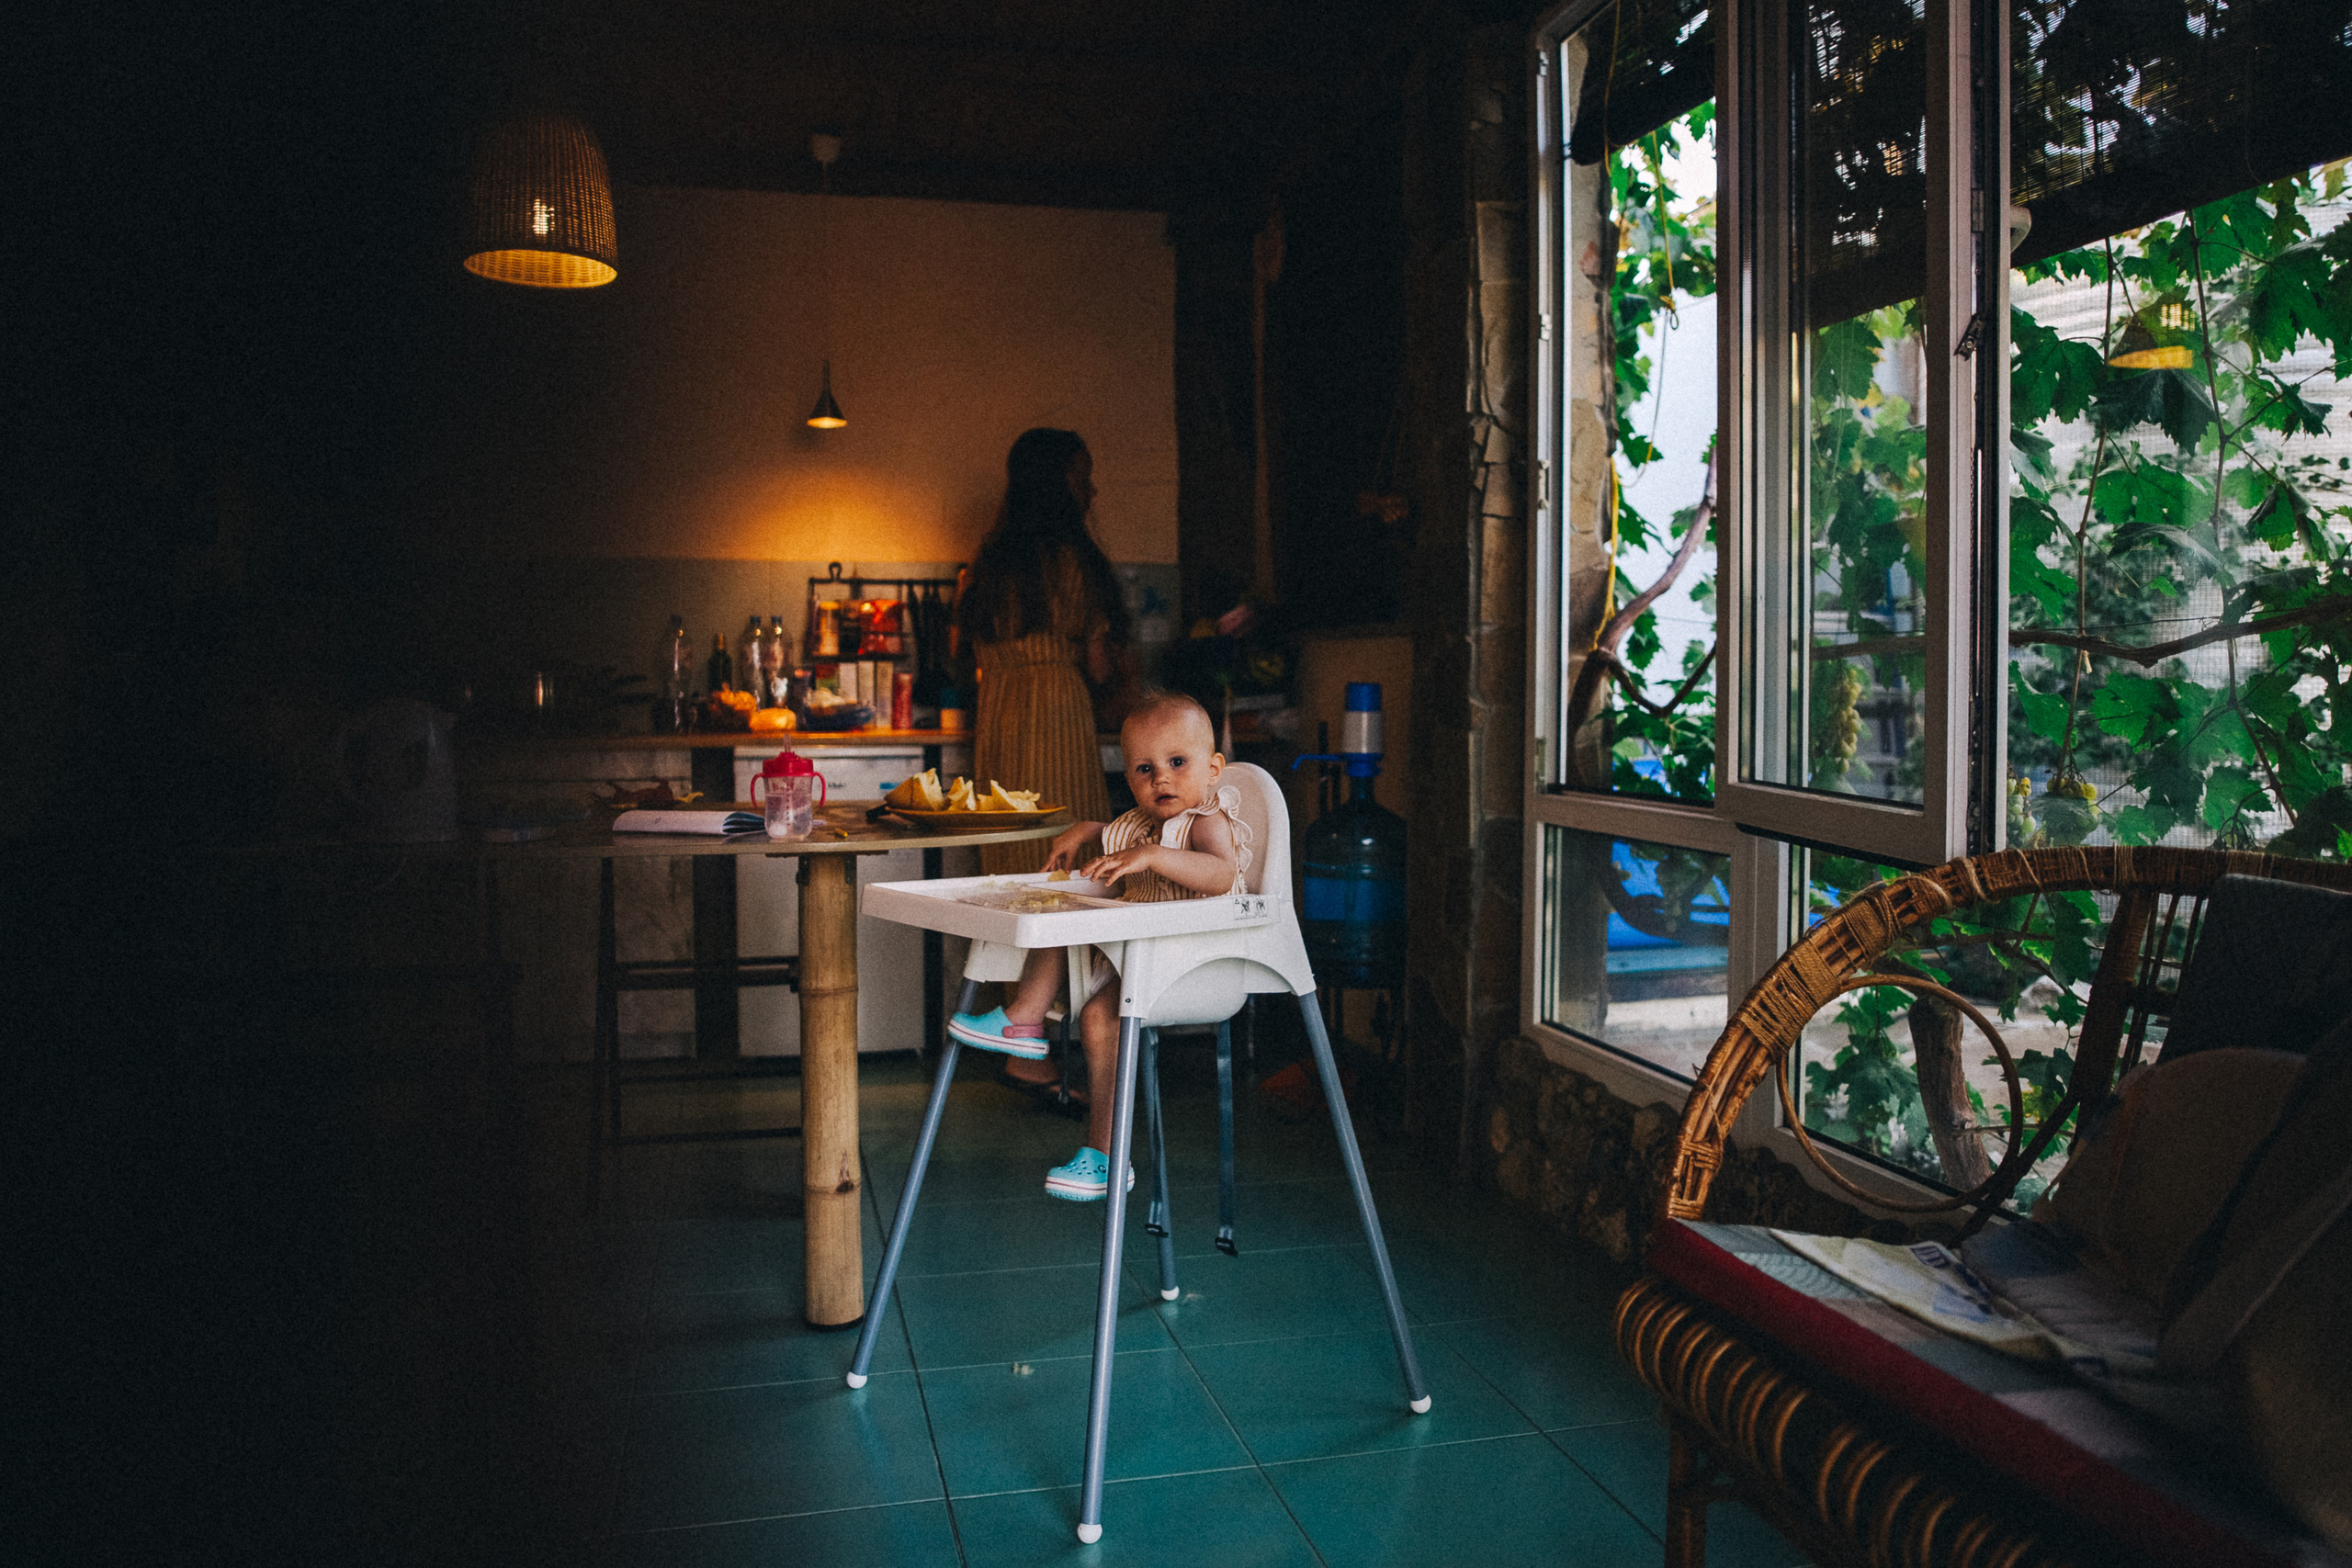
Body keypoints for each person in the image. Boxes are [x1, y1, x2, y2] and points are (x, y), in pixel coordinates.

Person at [946, 693, 1251, 1200]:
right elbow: (1116, 833)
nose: (1162, 779)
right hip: (1140, 951)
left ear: (1214, 768)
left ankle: (1106, 1154)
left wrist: (1152, 857)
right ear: (1129, 777)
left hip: (1191, 960)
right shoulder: (1142, 825)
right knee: (1067, 914)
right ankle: (1024, 1019)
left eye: (1178, 763)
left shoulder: (1205, 822)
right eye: (1144, 768)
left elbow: (1221, 875)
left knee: (1096, 1018)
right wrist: (1087, 831)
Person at [956, 428, 1125, 880]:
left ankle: (1018, 947)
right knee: (1068, 849)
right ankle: (1065, 951)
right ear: (1058, 485)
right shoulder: (1075, 563)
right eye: (1082, 478)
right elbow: (1100, 666)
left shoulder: (986, 562)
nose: (1092, 490)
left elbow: (969, 651)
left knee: (1008, 846)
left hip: (998, 721)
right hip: (1058, 717)